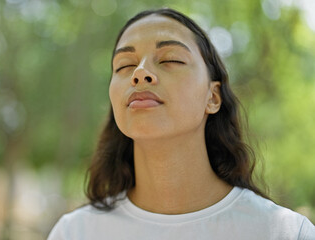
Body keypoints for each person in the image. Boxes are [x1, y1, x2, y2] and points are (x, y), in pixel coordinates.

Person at [48, 8, 315, 240]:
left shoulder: (284, 233)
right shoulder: (75, 233)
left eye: (170, 60)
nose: (140, 73)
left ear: (212, 97)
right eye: (124, 65)